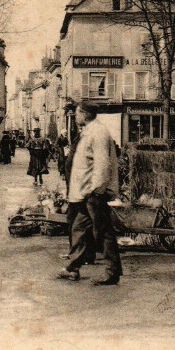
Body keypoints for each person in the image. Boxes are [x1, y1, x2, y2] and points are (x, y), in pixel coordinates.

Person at [59, 101, 122, 286]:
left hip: (93, 194)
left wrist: (97, 190)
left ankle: (112, 272)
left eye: (77, 113)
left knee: (103, 232)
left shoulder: (98, 132)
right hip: (85, 194)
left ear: (85, 114)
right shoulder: (89, 131)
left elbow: (103, 164)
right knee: (79, 229)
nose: (75, 117)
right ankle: (72, 268)